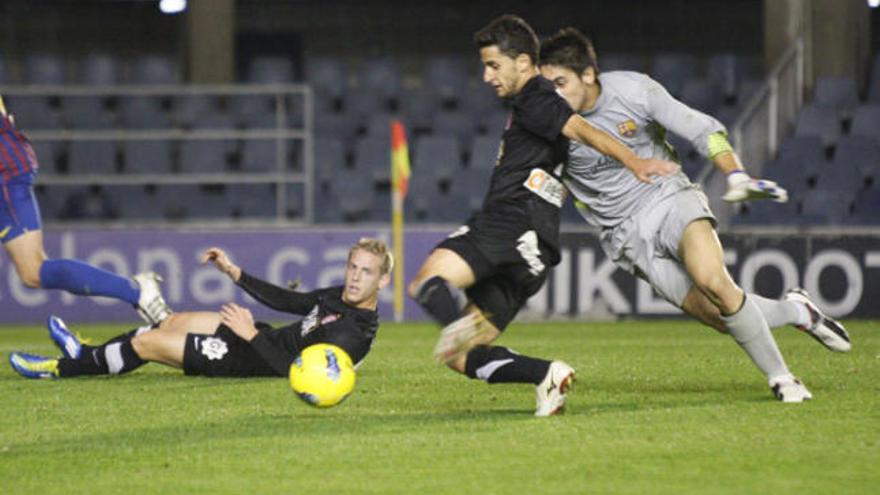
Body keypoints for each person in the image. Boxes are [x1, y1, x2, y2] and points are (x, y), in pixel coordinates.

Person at [537, 27, 850, 402]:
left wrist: (735, 174)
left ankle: (782, 379)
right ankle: (798, 311)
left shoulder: (635, 91)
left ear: (588, 75)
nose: (552, 95)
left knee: (713, 281)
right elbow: (548, 184)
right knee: (722, 318)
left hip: (668, 198)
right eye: (546, 85)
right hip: (625, 235)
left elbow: (701, 130)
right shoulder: (548, 124)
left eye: (559, 83)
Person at [407, 15, 679, 417]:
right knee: (463, 357)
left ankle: (455, 327)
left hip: (509, 223)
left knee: (427, 282)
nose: (486, 76)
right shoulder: (531, 106)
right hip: (535, 250)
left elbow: (582, 130)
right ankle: (546, 375)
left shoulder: (537, 96)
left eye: (493, 65)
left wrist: (633, 161)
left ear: (522, 62)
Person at [8, 238, 392, 380]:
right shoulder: (341, 296)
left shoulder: (351, 336)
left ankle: (62, 367)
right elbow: (292, 301)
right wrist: (236, 273)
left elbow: (291, 370)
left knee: (148, 344)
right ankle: (88, 353)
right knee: (172, 322)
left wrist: (249, 335)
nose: (355, 278)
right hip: (260, 336)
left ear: (383, 281)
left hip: (250, 360)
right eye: (352, 267)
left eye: (366, 272)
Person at [0, 95, 170, 324]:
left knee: (33, 267)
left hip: (5, 168)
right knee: (32, 271)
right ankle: (137, 292)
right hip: (10, 162)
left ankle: (137, 292)